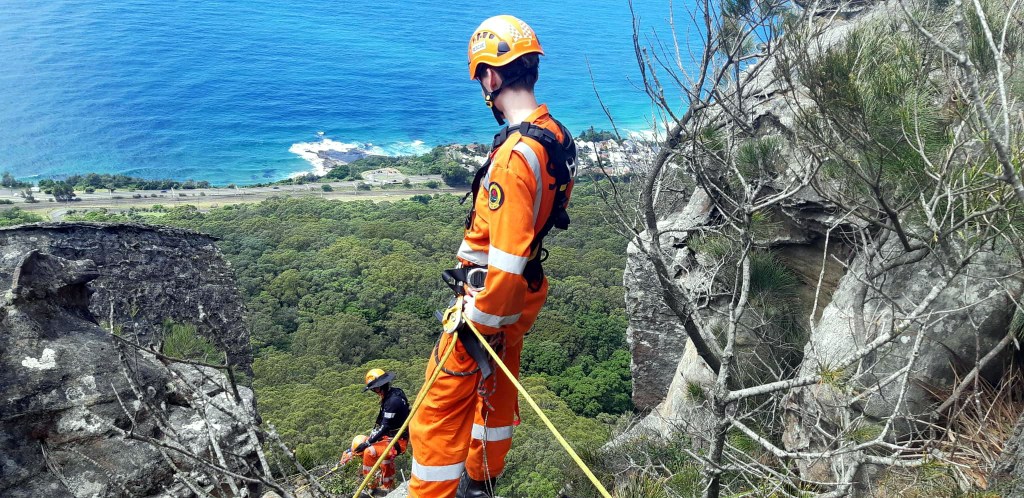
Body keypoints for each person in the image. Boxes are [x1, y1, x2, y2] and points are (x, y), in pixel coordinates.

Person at [408, 14, 576, 498]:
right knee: (496, 393)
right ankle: (481, 482)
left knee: (437, 412)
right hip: (522, 296)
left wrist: (476, 323)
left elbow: (504, 258)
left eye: (482, 74)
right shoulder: (556, 137)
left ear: (491, 75)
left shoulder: (513, 156)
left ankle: (432, 493)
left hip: (490, 300)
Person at [341, 369, 410, 496]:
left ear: (381, 386)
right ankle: (345, 466)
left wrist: (368, 443)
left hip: (397, 440)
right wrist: (359, 446)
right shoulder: (392, 395)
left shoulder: (392, 401)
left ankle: (372, 487)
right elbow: (382, 426)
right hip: (388, 437)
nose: (374, 392)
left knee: (369, 451)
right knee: (357, 443)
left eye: (375, 389)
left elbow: (385, 427)